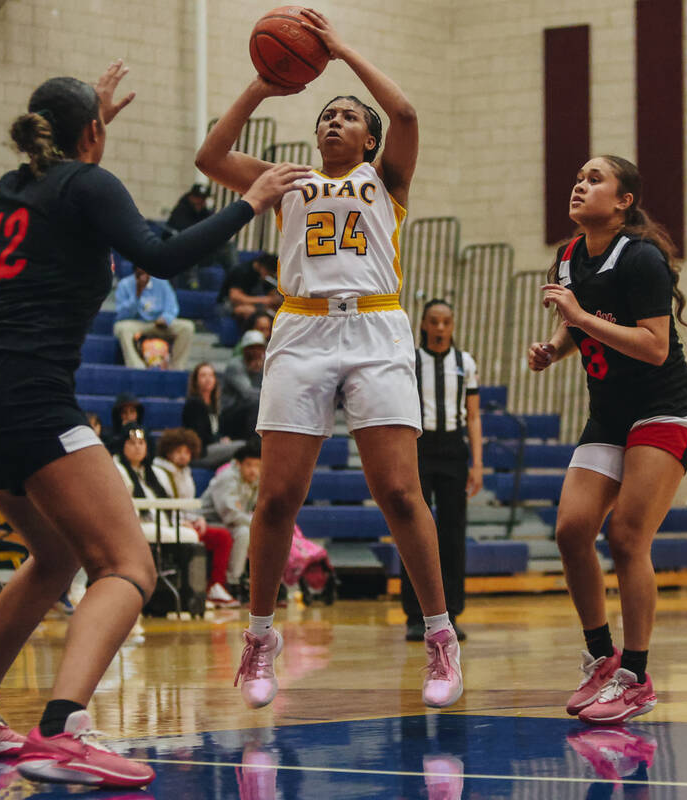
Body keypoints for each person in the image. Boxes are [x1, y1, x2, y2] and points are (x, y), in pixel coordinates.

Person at [0, 61, 308, 790]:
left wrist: (88, 121)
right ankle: (61, 730)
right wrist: (251, 201)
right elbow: (161, 255)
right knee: (128, 567)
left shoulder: (12, 187)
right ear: (93, 134)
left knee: (53, 556)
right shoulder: (87, 184)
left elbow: (66, 182)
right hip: (28, 392)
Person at [196, 8, 462, 710]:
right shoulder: (286, 180)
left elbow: (405, 111)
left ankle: (440, 636)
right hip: (302, 329)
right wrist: (261, 86)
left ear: (370, 138)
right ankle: (260, 637)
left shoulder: (386, 179)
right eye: (326, 117)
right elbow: (210, 158)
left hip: (375, 327)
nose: (334, 122)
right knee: (278, 496)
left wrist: (340, 51)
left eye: (348, 116)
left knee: (400, 493)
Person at [528, 154, 687, 725]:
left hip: (663, 411)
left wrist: (578, 317)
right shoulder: (569, 256)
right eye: (578, 177)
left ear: (624, 201)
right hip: (609, 415)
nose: (580, 185)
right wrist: (556, 347)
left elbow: (654, 346)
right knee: (571, 530)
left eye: (594, 178)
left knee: (627, 537)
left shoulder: (642, 258)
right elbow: (578, 323)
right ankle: (601, 658)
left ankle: (636, 676)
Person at [402, 299, 482, 643]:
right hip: (417, 449)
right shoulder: (410, 360)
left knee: (452, 533)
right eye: (433, 321)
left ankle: (451, 613)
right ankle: (414, 615)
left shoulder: (465, 363)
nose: (439, 328)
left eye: (445, 322)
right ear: (423, 325)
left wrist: (477, 463)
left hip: (453, 451)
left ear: (452, 326)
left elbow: (474, 416)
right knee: (413, 531)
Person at [151, 427, 239, 607]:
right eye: (178, 451)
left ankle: (215, 586)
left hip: (185, 523)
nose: (183, 456)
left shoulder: (186, 473)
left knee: (223, 537)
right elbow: (162, 507)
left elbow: (188, 504)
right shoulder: (158, 472)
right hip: (168, 525)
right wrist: (180, 523)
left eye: (187, 452)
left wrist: (198, 519)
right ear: (168, 451)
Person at [199, 440, 262, 593]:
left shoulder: (255, 480)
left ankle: (257, 581)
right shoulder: (227, 478)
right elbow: (231, 515)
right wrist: (257, 525)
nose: (253, 470)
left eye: (257, 466)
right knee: (243, 532)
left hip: (227, 522)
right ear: (238, 464)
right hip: (208, 521)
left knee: (256, 531)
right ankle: (233, 582)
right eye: (249, 465)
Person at [113, 266, 195, 369]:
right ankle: (136, 367)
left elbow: (172, 307)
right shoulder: (124, 285)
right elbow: (121, 315)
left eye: (145, 271)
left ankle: (176, 367)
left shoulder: (162, 283)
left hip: (158, 324)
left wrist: (165, 318)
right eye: (140, 271)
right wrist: (137, 294)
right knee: (122, 328)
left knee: (187, 327)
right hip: (137, 323)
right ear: (135, 270)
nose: (143, 275)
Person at [165, 183, 238, 285]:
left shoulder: (206, 213)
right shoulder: (180, 212)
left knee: (228, 246)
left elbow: (215, 230)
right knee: (191, 243)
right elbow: (184, 235)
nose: (199, 201)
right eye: (197, 197)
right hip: (183, 253)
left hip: (203, 253)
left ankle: (235, 282)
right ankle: (192, 283)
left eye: (203, 198)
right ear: (191, 197)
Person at [220, 329, 266, 441]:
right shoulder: (235, 365)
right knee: (255, 403)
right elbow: (248, 394)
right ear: (244, 349)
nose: (256, 352)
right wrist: (255, 373)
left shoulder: (265, 364)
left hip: (251, 411)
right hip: (230, 413)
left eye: (259, 348)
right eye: (252, 348)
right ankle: (254, 442)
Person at [217, 252, 281, 323]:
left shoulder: (261, 274)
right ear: (264, 268)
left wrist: (274, 299)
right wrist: (263, 300)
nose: (269, 276)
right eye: (269, 273)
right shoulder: (241, 271)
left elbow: (270, 293)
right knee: (250, 311)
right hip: (227, 304)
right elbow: (235, 297)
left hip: (249, 303)